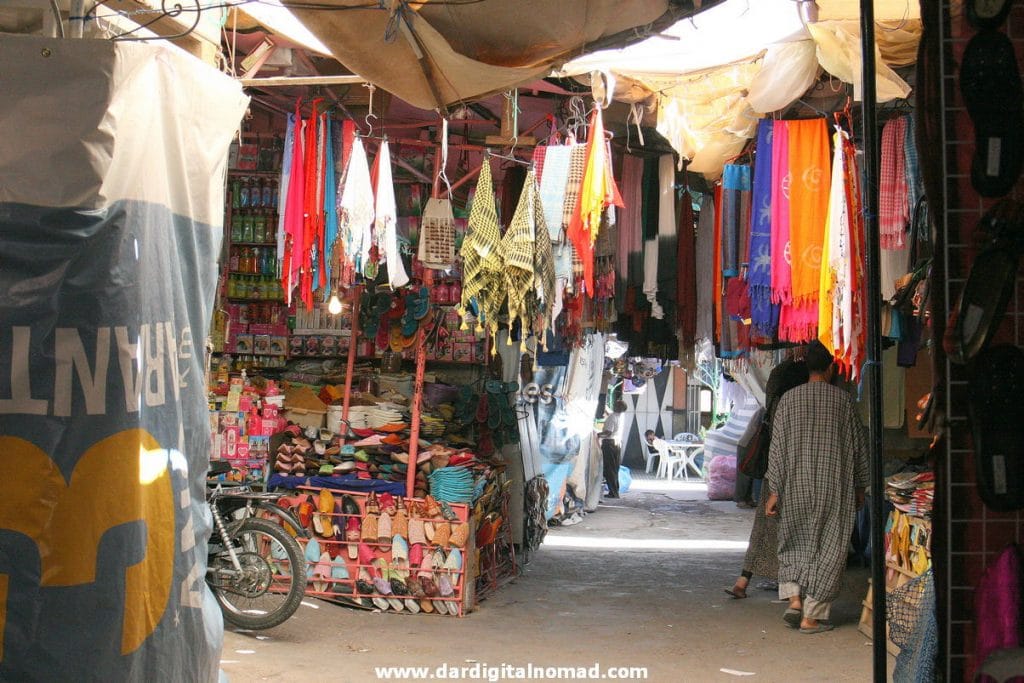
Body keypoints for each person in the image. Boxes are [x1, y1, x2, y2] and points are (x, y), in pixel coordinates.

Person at [764, 341, 868, 633]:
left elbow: (777, 448)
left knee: (793, 540)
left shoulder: (788, 400)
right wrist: (860, 486)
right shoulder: (843, 401)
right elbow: (859, 448)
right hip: (833, 485)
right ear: (831, 368)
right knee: (830, 547)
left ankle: (795, 599)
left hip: (794, 482)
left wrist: (775, 490)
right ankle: (812, 616)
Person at [726, 354, 809, 599]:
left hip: (774, 469)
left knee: (764, 526)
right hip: (795, 469)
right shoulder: (798, 402)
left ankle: (744, 579)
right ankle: (794, 593)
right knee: (795, 531)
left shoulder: (776, 395)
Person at [599, 400, 627, 499]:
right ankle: (615, 490)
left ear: (616, 406)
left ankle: (613, 492)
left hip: (609, 444)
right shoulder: (621, 416)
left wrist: (598, 435)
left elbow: (608, 432)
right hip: (617, 444)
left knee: (609, 469)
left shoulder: (612, 417)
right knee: (615, 468)